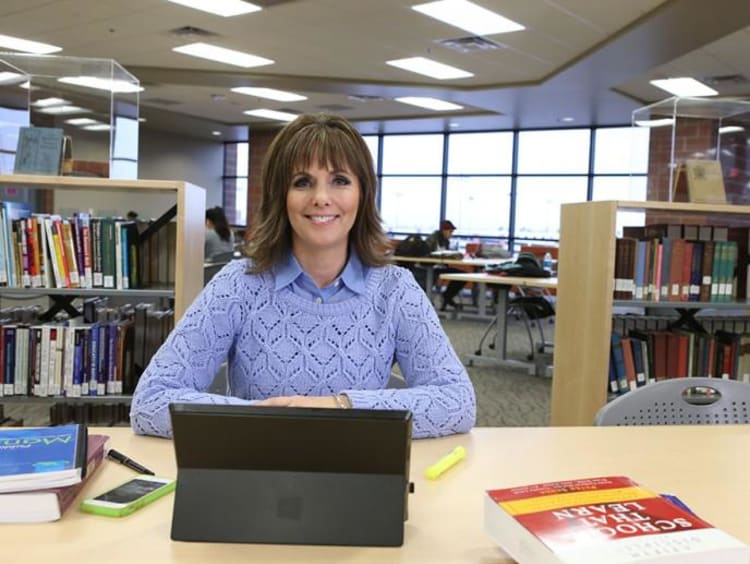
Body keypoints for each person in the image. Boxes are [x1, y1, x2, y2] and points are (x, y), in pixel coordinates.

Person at [130, 113, 476, 440]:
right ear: (281, 197)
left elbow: (458, 401)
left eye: (340, 180)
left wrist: (339, 406)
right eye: (302, 182)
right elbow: (150, 402)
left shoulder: (395, 290)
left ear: (363, 194)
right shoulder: (238, 284)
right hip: (257, 476)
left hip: (360, 477)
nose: (321, 198)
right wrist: (263, 419)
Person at [426, 220, 467, 311]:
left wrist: (454, 256)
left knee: (463, 276)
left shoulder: (446, 241)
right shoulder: (432, 239)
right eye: (450, 232)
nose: (451, 234)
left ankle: (447, 296)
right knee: (461, 275)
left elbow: (446, 255)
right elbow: (427, 254)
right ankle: (447, 297)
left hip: (442, 267)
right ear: (444, 230)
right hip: (432, 268)